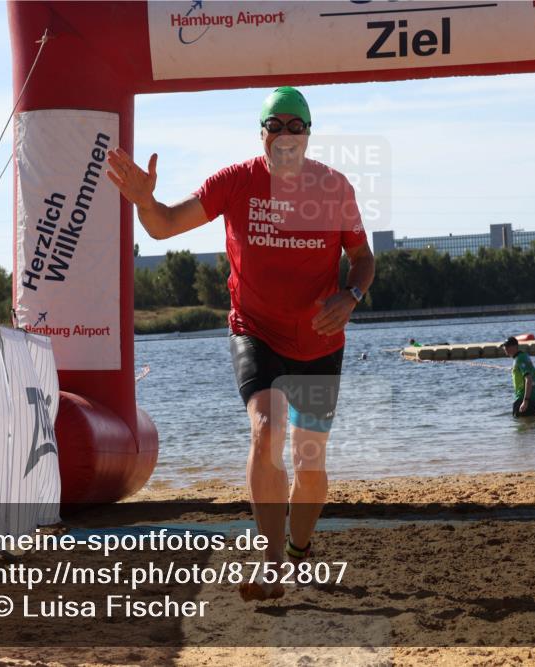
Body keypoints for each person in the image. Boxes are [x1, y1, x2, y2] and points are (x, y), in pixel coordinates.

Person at [106, 87, 374, 601]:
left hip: (320, 339)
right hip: (255, 330)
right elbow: (163, 226)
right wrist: (144, 201)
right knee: (267, 428)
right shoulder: (235, 182)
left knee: (310, 466)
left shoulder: (334, 187)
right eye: (276, 126)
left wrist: (352, 294)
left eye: (297, 126)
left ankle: (297, 550)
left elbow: (363, 258)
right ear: (262, 134)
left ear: (309, 134)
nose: (286, 135)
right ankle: (272, 561)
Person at [502, 336, 535, 418]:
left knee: (520, 427)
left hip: (524, 399)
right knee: (531, 426)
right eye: (504, 346)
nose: (505, 348)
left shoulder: (520, 359)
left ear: (515, 346)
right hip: (534, 399)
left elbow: (528, 379)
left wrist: (525, 401)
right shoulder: (523, 356)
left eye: (508, 346)